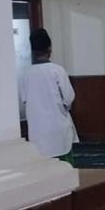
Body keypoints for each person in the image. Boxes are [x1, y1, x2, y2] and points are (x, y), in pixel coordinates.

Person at [18, 28, 78, 162]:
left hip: (38, 132)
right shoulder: (58, 71)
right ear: (50, 48)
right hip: (59, 129)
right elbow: (69, 98)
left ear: (32, 51)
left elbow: (24, 102)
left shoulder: (26, 75)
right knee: (65, 168)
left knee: (43, 167)